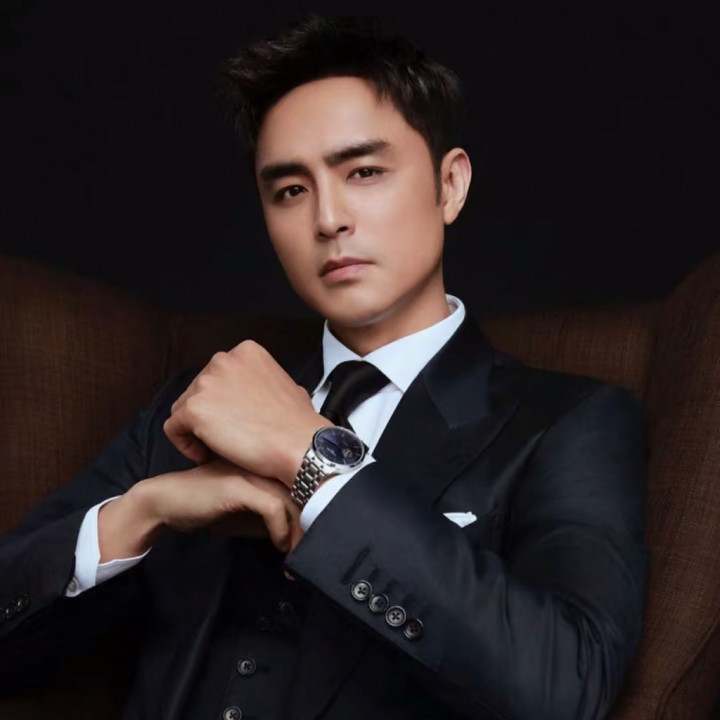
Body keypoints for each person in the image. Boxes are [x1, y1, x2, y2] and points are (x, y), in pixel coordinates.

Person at [0, 14, 649, 720]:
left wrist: (312, 458)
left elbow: (564, 688)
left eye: (363, 172)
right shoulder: (197, 405)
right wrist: (144, 510)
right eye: (290, 190)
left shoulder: (569, 424)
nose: (328, 218)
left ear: (450, 185)